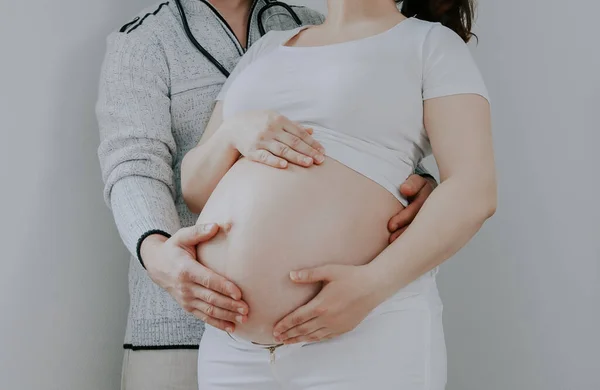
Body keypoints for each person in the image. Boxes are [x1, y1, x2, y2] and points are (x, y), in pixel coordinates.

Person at [96, 1, 436, 388]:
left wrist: (417, 181)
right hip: (182, 318)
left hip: (334, 327)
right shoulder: (144, 41)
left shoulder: (310, 25)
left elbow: (364, 133)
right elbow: (134, 166)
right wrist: (157, 256)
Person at [181, 0, 496, 388]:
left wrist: (372, 286)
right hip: (232, 351)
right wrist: (232, 133)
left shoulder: (431, 44)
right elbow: (195, 192)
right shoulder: (265, 49)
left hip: (366, 329)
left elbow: (473, 189)